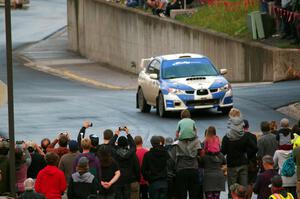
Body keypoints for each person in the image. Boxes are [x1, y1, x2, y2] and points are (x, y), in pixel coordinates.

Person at [221, 108, 257, 199]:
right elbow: (255, 148)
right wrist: (247, 155)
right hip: (243, 164)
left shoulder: (227, 137)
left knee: (232, 190)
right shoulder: (245, 136)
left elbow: (223, 152)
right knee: (243, 190)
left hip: (232, 165)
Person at [109, 127, 140, 199]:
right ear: (126, 144)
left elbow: (110, 145)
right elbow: (133, 146)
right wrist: (128, 133)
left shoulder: (114, 153)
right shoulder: (130, 153)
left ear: (118, 144)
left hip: (117, 179)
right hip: (127, 180)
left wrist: (116, 134)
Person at [169, 133, 202, 199]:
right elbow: (200, 156)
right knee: (194, 194)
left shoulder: (176, 144)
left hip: (181, 170)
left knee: (182, 194)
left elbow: (172, 159)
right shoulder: (197, 143)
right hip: (194, 170)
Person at [200, 127, 226, 199]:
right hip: (219, 177)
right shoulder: (220, 155)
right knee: (216, 197)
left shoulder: (204, 156)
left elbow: (201, 164)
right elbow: (224, 163)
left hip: (208, 178)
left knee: (209, 197)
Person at [243, 120, 258, 199]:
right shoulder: (253, 136)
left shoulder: (240, 136)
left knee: (242, 182)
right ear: (248, 127)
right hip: (252, 162)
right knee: (250, 183)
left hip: (242, 162)